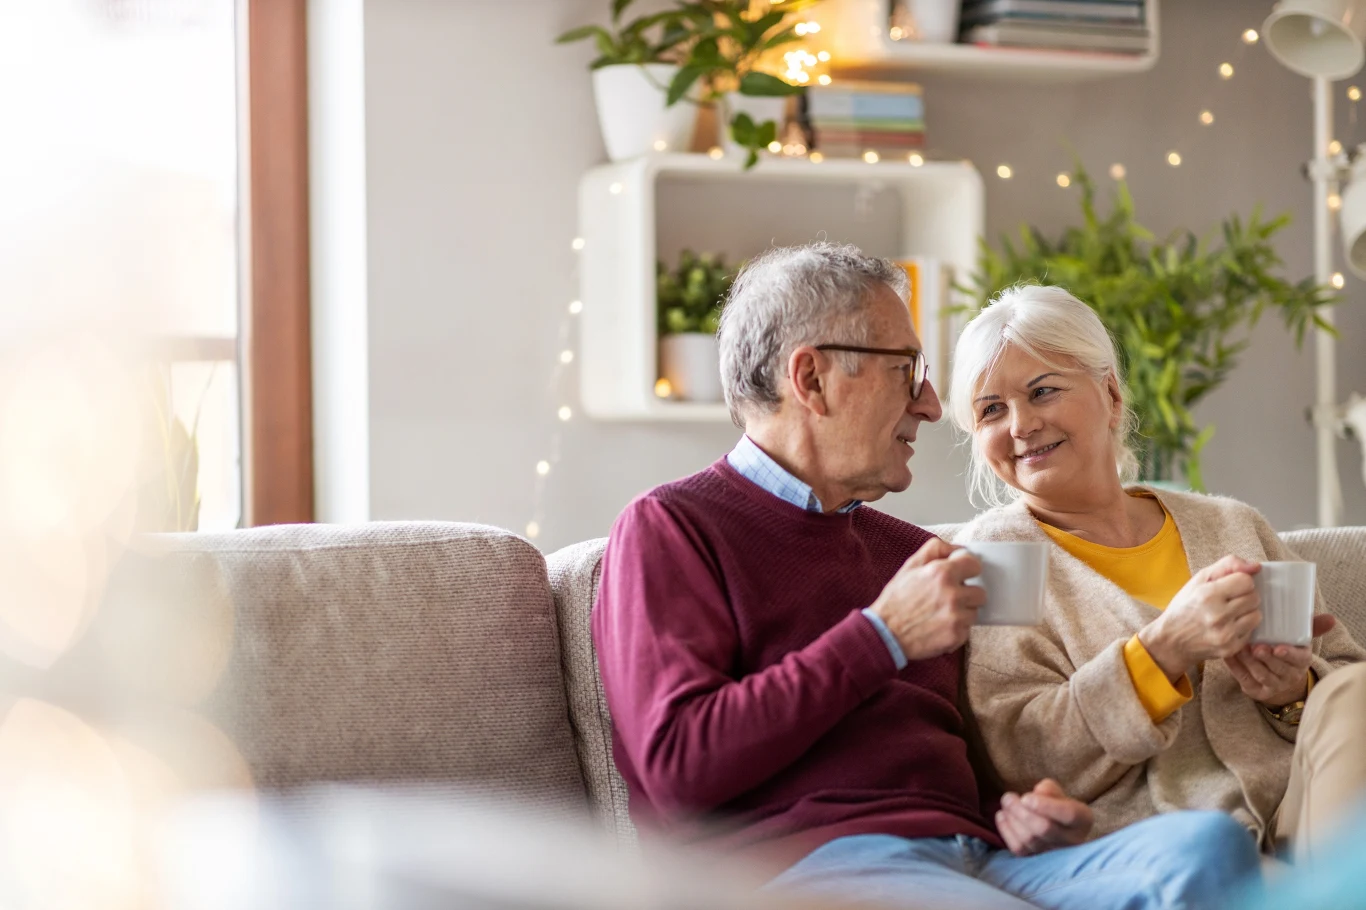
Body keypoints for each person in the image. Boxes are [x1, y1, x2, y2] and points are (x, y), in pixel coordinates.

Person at [592, 243, 1260, 910]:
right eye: (907, 370)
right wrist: (882, 634)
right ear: (812, 379)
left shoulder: (907, 553)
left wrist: (1019, 811)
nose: (934, 405)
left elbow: (966, 755)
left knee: (1206, 850)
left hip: (981, 859)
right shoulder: (672, 528)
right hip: (812, 873)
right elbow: (678, 768)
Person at [946, 283, 1366, 865]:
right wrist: (1162, 650)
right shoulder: (997, 557)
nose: (1019, 424)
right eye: (991, 409)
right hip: (1160, 846)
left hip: (1306, 813)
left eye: (1042, 392)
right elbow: (1019, 752)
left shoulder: (1233, 525)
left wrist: (1293, 693)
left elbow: (1347, 686)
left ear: (1111, 396)